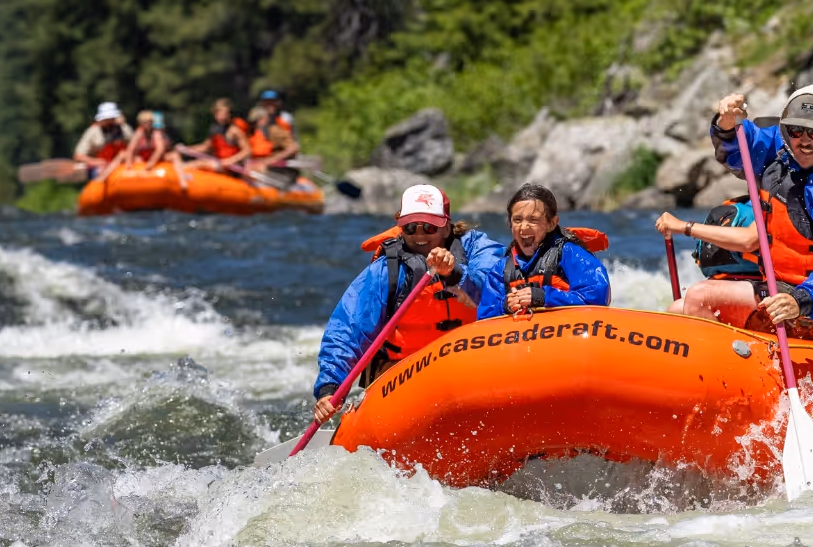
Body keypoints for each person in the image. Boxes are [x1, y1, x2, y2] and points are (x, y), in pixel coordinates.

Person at [661, 84, 813, 342]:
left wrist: (802, 300)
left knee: (700, 296)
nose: (804, 140)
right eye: (796, 130)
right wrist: (725, 124)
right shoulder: (784, 151)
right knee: (678, 310)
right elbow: (745, 143)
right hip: (782, 288)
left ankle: (717, 375)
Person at [311, 184, 505, 423]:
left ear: (446, 225)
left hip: (472, 366)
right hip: (405, 376)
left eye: (430, 227)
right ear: (399, 225)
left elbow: (494, 288)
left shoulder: (478, 249)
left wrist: (454, 274)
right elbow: (347, 330)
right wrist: (329, 388)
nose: (420, 235)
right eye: (411, 227)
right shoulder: (384, 271)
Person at [477, 183, 611, 317]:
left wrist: (544, 297)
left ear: (552, 224)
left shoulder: (570, 254)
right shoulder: (500, 270)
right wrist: (505, 306)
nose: (523, 227)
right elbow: (484, 316)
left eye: (533, 219)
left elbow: (597, 297)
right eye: (517, 220)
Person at [176, 98, 252, 171]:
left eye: (224, 114)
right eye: (218, 114)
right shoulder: (215, 130)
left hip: (232, 167)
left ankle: (182, 170)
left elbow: (247, 151)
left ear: (230, 114)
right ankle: (181, 169)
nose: (221, 117)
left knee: (203, 164)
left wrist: (229, 161)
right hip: (219, 163)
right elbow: (205, 147)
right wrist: (186, 149)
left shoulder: (235, 131)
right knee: (199, 162)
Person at [72, 102, 133, 177]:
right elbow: (78, 156)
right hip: (100, 168)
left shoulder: (124, 129)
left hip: (123, 166)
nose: (110, 121)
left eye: (112, 118)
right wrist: (95, 161)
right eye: (107, 119)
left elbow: (134, 147)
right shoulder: (93, 131)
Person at [246, 89, 300, 171]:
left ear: (278, 103)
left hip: (279, 159)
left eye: (272, 102)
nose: (269, 105)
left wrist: (273, 159)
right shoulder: (256, 117)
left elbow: (293, 144)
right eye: (266, 102)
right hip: (261, 158)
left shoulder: (284, 119)